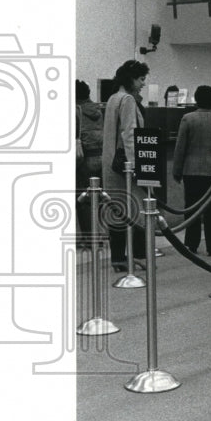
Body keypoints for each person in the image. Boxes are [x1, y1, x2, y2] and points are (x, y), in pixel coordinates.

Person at [172, 85, 211, 256]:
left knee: (191, 209)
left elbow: (180, 147)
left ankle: (191, 245)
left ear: (196, 99)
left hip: (192, 169)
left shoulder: (187, 119)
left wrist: (177, 170)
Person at [102, 59, 149, 271]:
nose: (143, 84)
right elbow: (130, 134)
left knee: (117, 211)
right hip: (125, 168)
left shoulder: (112, 98)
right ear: (130, 79)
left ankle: (118, 258)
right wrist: (136, 165)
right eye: (141, 79)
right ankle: (138, 256)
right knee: (136, 209)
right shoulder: (128, 99)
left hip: (110, 164)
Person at [75, 80, 104, 246]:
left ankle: (89, 238)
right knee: (97, 198)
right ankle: (98, 234)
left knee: (83, 199)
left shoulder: (75, 110)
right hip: (100, 156)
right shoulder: (97, 109)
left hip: (84, 159)